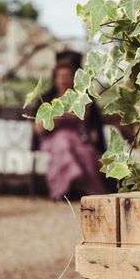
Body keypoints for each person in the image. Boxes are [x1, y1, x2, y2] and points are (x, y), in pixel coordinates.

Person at [33, 50, 107, 200]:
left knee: (85, 151)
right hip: (53, 141)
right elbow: (38, 129)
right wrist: (55, 116)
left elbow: (94, 130)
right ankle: (62, 189)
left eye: (67, 77)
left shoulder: (83, 99)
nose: (64, 81)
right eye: (61, 77)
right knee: (63, 142)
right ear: (55, 78)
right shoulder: (46, 99)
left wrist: (90, 136)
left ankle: (86, 189)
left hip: (79, 140)